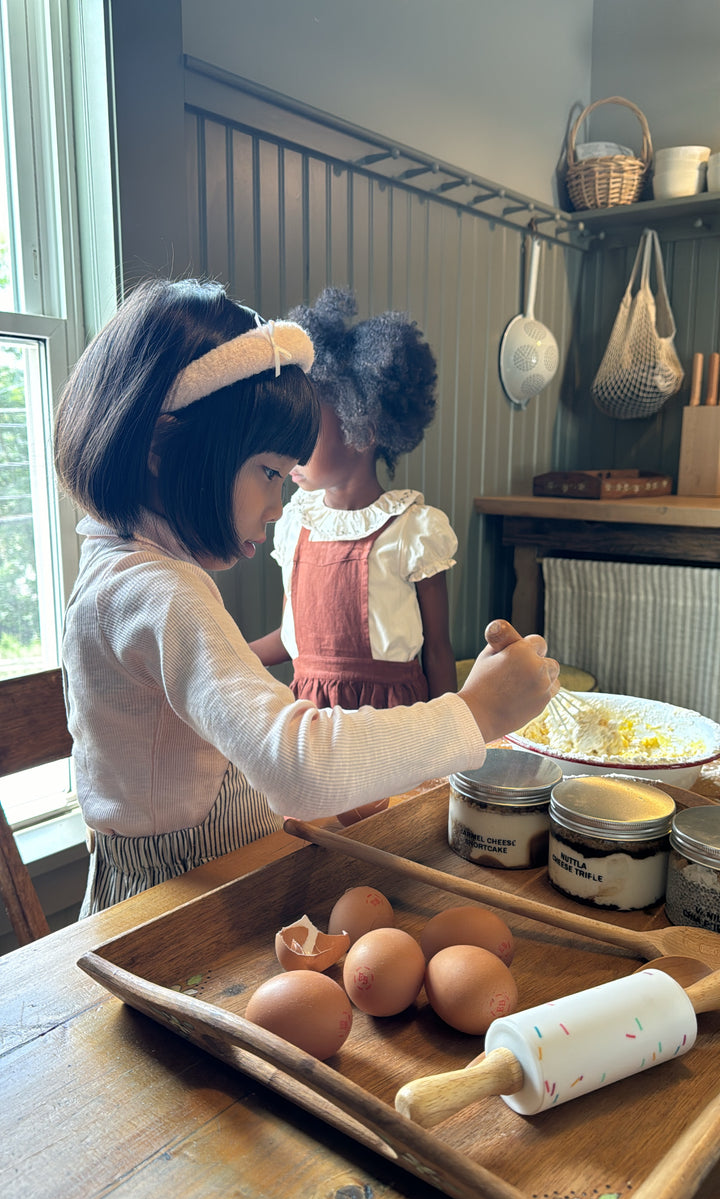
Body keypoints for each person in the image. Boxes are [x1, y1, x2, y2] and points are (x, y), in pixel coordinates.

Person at [54, 276, 559, 915]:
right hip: (174, 908)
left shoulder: (123, 570)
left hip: (218, 873)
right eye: (269, 472)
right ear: (162, 447)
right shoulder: (160, 590)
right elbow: (296, 768)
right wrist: (477, 713)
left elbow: (224, 739)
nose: (277, 503)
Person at [250, 287, 457, 708]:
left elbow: (437, 651)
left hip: (392, 725)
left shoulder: (413, 532)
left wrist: (451, 747)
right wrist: (226, 656)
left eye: (307, 433)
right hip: (312, 724)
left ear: (362, 427)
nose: (291, 449)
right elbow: (295, 639)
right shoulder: (294, 526)